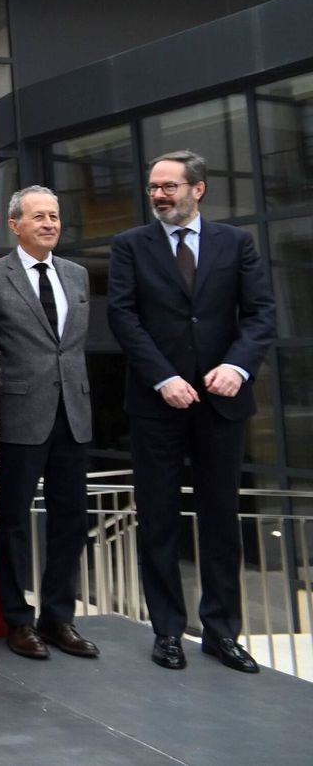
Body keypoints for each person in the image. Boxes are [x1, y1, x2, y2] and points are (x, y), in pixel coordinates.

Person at [107, 150, 275, 673]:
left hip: (223, 403)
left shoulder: (237, 242)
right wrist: (164, 377)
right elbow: (123, 315)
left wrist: (238, 368)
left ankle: (222, 633)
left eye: (169, 187)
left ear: (197, 189)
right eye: (154, 187)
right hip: (158, 403)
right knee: (157, 518)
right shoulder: (130, 245)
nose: (159, 195)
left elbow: (261, 313)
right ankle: (167, 631)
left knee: (221, 519)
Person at [0, 186, 99, 662]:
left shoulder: (78, 274)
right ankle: (18, 620)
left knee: (72, 520)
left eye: (55, 216)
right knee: (13, 523)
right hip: (18, 416)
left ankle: (59, 617)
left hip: (74, 414)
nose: (49, 223)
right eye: (39, 216)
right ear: (14, 224)